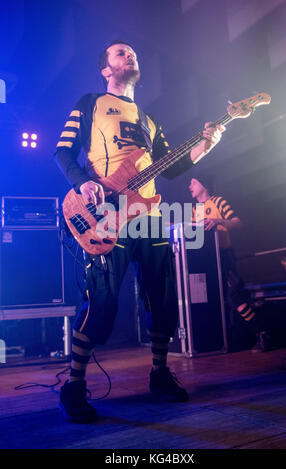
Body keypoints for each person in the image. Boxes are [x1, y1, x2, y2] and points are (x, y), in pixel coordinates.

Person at [55, 40, 225, 423]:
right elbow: (63, 151)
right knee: (102, 301)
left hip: (149, 214)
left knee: (164, 297)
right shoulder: (89, 104)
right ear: (105, 69)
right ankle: (74, 384)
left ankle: (160, 373)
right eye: (120, 52)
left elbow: (171, 167)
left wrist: (204, 147)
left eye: (132, 51)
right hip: (104, 213)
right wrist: (83, 183)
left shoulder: (150, 121)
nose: (129, 54)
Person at [189, 176, 270, 353]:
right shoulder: (195, 210)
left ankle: (262, 332)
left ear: (204, 184)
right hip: (208, 260)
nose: (190, 186)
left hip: (225, 256)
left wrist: (219, 221)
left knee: (234, 297)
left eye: (193, 182)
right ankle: (229, 341)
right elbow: (194, 233)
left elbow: (238, 222)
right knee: (219, 301)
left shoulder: (218, 202)